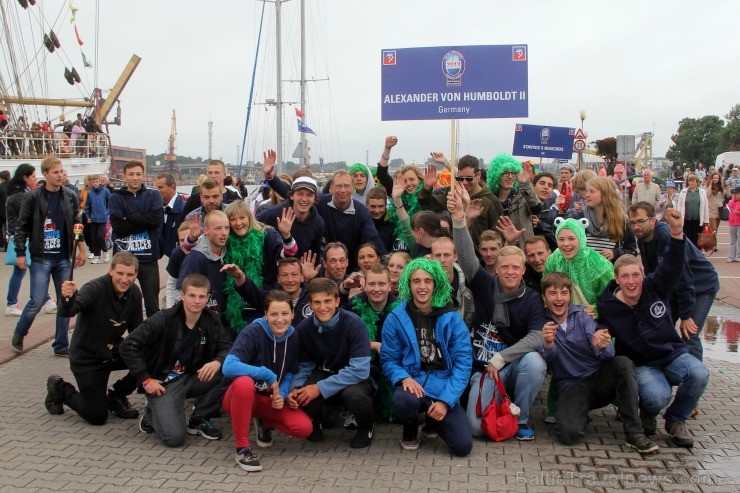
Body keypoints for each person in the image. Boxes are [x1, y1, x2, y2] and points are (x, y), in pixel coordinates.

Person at [598, 209, 709, 448]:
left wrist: (678, 232)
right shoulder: (608, 305)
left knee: (699, 373)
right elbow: (601, 329)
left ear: (643, 275)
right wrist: (599, 337)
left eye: (635, 275)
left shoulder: (654, 287)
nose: (631, 281)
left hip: (672, 354)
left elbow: (672, 264)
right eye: (625, 276)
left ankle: (675, 420)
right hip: (643, 363)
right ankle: (648, 413)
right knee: (658, 397)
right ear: (616, 278)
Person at [448, 186, 547, 440]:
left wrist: (501, 358)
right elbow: (468, 256)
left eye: (516, 267)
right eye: (505, 267)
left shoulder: (532, 298)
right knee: (475, 428)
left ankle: (521, 418)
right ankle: (492, 400)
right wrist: (459, 218)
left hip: (511, 365)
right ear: (497, 268)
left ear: (523, 270)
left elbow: (536, 337)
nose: (510, 272)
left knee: (535, 362)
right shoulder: (484, 283)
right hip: (482, 368)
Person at [538, 272, 658, 453]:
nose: (559, 298)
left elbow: (606, 353)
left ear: (570, 295)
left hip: (598, 379)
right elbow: (549, 361)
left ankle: (634, 431)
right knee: (567, 436)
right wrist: (548, 344)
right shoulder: (542, 324)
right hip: (571, 385)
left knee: (622, 362)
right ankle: (580, 414)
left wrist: (602, 344)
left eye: (564, 292)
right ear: (544, 297)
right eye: (553, 293)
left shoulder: (582, 316)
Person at [119, 274, 232, 447]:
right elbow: (128, 346)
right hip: (164, 382)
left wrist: (217, 361)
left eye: (202, 296)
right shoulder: (163, 319)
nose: (197, 301)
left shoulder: (211, 319)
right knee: (174, 438)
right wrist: (145, 379)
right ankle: (151, 414)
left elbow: (227, 347)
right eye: (192, 295)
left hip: (193, 376)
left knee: (231, 371)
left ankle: (198, 418)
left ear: (208, 298)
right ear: (182, 295)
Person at [380, 258, 473, 456]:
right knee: (404, 401)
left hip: (443, 386)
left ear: (436, 284)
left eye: (428, 281)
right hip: (414, 382)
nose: (422, 286)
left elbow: (463, 364)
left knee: (463, 446)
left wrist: (446, 402)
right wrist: (404, 378)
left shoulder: (452, 318)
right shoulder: (395, 318)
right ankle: (410, 428)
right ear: (408, 284)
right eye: (416, 281)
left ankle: (433, 422)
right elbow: (389, 360)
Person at [44, 253, 143, 424]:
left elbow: (138, 332)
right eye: (120, 273)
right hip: (87, 357)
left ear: (136, 275)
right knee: (97, 416)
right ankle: (59, 388)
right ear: (110, 270)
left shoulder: (134, 293)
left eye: (130, 275)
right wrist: (67, 298)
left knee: (151, 356)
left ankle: (116, 396)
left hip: (112, 352)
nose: (124, 279)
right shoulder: (94, 288)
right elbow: (68, 311)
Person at [221, 290, 313, 472]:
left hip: (266, 398)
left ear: (293, 314)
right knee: (244, 383)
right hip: (237, 398)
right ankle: (243, 449)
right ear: (265, 315)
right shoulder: (253, 331)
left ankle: (263, 422)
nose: (280, 319)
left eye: (285, 313)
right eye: (274, 314)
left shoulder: (293, 336)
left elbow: (289, 373)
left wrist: (283, 395)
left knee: (303, 428)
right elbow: (228, 366)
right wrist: (266, 374)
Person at [11, 157, 87, 355]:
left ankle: (61, 344)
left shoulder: (70, 195)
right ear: (45, 175)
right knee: (36, 300)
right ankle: (20, 332)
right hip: (41, 256)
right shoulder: (34, 197)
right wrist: (20, 253)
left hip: (63, 257)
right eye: (56, 172)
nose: (60, 175)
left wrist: (81, 248)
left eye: (62, 171)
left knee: (65, 300)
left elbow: (77, 223)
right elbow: (22, 225)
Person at [627, 202, 719, 363]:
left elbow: (684, 277)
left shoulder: (665, 236)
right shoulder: (642, 237)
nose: (636, 227)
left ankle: (695, 375)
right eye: (632, 222)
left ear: (652, 220)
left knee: (689, 333)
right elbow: (654, 274)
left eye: (640, 221)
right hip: (679, 287)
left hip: (701, 285)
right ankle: (669, 368)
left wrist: (686, 314)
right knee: (662, 327)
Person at [289, 278, 374, 448]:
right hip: (326, 372)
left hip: (354, 377)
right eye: (317, 302)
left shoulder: (354, 324)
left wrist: (319, 388)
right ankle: (315, 422)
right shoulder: (304, 328)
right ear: (310, 305)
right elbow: (304, 365)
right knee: (303, 393)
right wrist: (296, 388)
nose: (323, 307)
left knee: (355, 396)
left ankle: (365, 428)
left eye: (327, 301)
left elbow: (360, 370)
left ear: (337, 301)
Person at [263, 158, 386, 272]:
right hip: (322, 267)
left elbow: (373, 239)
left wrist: (387, 262)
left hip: (347, 267)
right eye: (338, 186)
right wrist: (271, 178)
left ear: (353, 188)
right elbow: (294, 193)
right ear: (331, 187)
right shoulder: (321, 202)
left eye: (347, 186)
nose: (343, 190)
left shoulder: (361, 212)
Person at [219, 200, 295, 334]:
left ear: (250, 218)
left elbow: (287, 255)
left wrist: (286, 236)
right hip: (235, 309)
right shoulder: (225, 240)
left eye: (242, 218)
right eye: (233, 219)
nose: (238, 223)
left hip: (262, 304)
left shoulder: (267, 235)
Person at [346, 263, 400, 423]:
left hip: (390, 361)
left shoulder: (400, 308)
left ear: (390, 286)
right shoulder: (353, 306)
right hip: (361, 362)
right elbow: (346, 342)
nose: (376, 289)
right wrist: (374, 345)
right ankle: (353, 409)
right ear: (364, 285)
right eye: (372, 284)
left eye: (381, 283)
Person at [109, 161, 163, 317]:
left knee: (152, 304)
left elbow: (156, 220)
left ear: (144, 176)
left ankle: (154, 337)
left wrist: (130, 218)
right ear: (124, 176)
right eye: (131, 174)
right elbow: (119, 227)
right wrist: (145, 221)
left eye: (138, 174)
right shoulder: (116, 197)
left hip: (148, 258)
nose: (135, 178)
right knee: (120, 304)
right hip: (123, 260)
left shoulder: (153, 195)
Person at [418, 153, 503, 247]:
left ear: (478, 175)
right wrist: (427, 188)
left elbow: (498, 236)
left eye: (469, 178)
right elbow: (427, 205)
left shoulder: (490, 201)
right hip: (454, 253)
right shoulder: (452, 193)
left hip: (481, 257)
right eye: (460, 178)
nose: (465, 182)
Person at [4, 164, 55, 317]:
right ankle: (12, 303)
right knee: (27, 270)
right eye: (33, 176)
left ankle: (46, 301)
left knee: (32, 269)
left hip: (23, 237)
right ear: (25, 177)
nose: (35, 178)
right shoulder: (21, 196)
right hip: (23, 238)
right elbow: (33, 215)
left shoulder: (20, 193)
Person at [543, 218, 614, 310]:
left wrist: (597, 310)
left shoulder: (599, 264)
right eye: (561, 239)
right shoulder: (553, 260)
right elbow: (546, 289)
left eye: (571, 238)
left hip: (592, 318)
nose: (566, 244)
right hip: (560, 314)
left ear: (581, 238)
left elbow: (611, 299)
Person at [257, 176, 324, 262]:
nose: (304, 199)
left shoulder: (318, 223)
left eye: (310, 195)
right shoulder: (271, 214)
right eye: (300, 194)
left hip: (297, 272)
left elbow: (315, 257)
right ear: (292, 196)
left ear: (314, 199)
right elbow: (251, 230)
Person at [573, 176, 637, 262]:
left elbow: (632, 250)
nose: (587, 195)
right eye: (587, 191)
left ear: (605, 194)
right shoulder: (579, 218)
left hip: (610, 273)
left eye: (592, 191)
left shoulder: (621, 221)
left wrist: (616, 253)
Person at [487, 154, 540, 248]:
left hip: (523, 253)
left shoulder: (523, 196)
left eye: (513, 173)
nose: (510, 176)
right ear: (496, 175)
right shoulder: (490, 200)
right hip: (499, 253)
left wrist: (525, 184)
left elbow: (537, 208)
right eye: (506, 173)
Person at [430, 236, 474, 329]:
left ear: (455, 257)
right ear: (431, 257)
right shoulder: (423, 285)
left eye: (447, 255)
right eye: (438, 255)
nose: (442, 260)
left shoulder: (469, 284)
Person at [156, 172, 186, 258]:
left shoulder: (184, 209)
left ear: (172, 187)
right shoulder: (158, 209)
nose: (157, 191)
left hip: (180, 257)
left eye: (160, 187)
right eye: (156, 187)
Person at [676, 173, 710, 247]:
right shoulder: (683, 192)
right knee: (687, 239)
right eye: (689, 181)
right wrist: (678, 218)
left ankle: (697, 255)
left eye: (693, 181)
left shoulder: (702, 192)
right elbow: (679, 206)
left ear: (697, 182)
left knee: (697, 239)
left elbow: (705, 207)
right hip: (686, 220)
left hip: (698, 220)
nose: (691, 183)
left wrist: (706, 221)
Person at [84, 174, 111, 264]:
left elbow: (110, 203)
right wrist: (87, 216)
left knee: (100, 236)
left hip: (103, 218)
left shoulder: (105, 191)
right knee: (94, 238)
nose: (95, 183)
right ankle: (97, 256)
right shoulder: (90, 193)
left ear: (99, 182)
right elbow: (87, 206)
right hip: (93, 218)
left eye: (96, 181)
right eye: (93, 182)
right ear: (91, 183)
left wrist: (107, 213)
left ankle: (105, 251)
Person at [530, 172, 559, 251]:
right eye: (542, 183)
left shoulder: (553, 213)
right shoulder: (522, 208)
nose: (546, 187)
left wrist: (540, 225)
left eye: (550, 186)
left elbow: (557, 240)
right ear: (532, 186)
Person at [365, 187, 395, 253]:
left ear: (386, 205)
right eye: (373, 206)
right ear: (366, 205)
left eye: (381, 206)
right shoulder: (361, 222)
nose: (377, 210)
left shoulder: (393, 222)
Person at [706, 172, 727, 244]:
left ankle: (712, 242)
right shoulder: (708, 186)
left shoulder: (720, 187)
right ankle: (713, 244)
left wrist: (727, 187)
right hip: (711, 210)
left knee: (716, 229)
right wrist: (710, 184)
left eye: (717, 178)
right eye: (714, 178)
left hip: (719, 209)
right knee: (713, 229)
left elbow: (727, 195)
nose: (715, 179)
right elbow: (707, 194)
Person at [728, 187, 740, 262]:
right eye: (735, 194)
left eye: (737, 194)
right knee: (733, 241)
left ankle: (738, 256)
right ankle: (731, 256)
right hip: (732, 223)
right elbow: (729, 207)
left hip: (739, 222)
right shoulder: (732, 201)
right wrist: (733, 200)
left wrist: (738, 213)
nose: (736, 196)